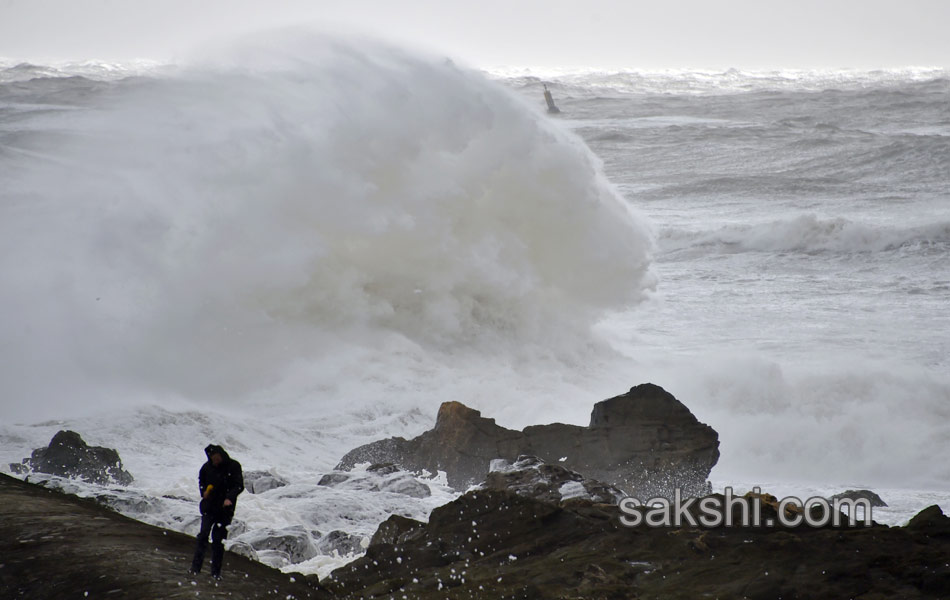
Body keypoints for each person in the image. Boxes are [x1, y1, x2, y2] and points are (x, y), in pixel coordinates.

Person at [189, 444, 244, 580]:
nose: (215, 460)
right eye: (213, 458)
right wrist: (203, 492)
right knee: (203, 536)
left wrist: (229, 498)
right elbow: (201, 481)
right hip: (209, 508)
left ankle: (215, 573)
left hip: (225, 511)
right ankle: (195, 568)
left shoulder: (233, 466)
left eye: (217, 457)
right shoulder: (206, 467)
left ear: (222, 455)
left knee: (218, 541)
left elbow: (239, 485)